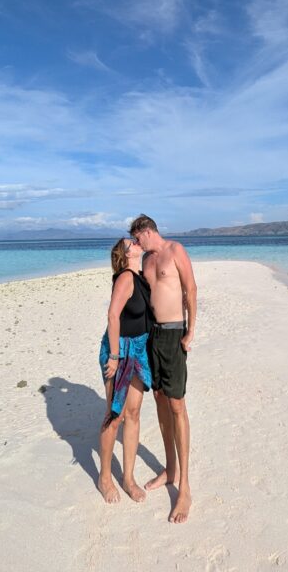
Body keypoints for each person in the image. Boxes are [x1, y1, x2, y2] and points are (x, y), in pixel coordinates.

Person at [130, 214, 197, 524]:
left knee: (177, 404)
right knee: (159, 399)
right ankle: (169, 469)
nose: (137, 243)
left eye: (137, 237)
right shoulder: (145, 259)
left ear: (148, 231)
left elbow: (191, 290)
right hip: (153, 335)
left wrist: (190, 331)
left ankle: (184, 487)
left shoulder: (175, 250)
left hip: (173, 333)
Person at [98, 236, 153, 504]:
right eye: (130, 241)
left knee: (133, 413)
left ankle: (128, 478)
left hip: (139, 351)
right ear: (125, 253)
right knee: (115, 414)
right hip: (119, 351)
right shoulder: (125, 278)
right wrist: (115, 357)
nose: (135, 241)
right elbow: (112, 315)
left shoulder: (140, 276)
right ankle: (105, 477)